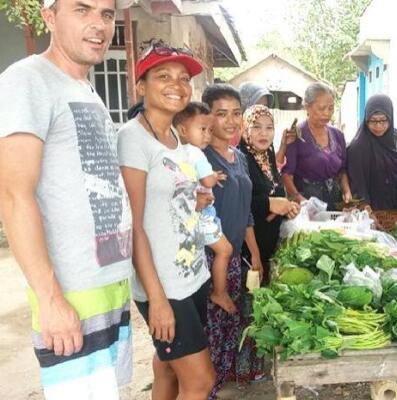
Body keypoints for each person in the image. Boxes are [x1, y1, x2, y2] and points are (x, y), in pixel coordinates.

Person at [0, 0, 133, 398]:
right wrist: (50, 299)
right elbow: (12, 194)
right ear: (48, 17)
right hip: (70, 294)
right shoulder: (27, 80)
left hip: (107, 287)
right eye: (82, 9)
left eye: (106, 14)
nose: (98, 24)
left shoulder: (85, 89)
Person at [118, 43, 215, 399]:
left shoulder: (175, 136)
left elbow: (169, 199)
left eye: (184, 78)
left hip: (193, 275)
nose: (177, 84)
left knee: (168, 369)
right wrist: (156, 298)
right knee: (201, 379)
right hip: (164, 286)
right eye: (163, 76)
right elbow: (134, 225)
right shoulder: (132, 139)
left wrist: (194, 200)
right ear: (140, 85)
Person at [201, 84, 264, 395]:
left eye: (236, 113)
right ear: (207, 117)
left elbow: (247, 209)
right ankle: (206, 390)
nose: (230, 121)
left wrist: (254, 254)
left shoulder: (238, 158)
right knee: (211, 333)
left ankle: (222, 385)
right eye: (220, 113)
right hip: (210, 258)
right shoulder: (200, 158)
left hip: (236, 255)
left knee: (231, 329)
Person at [173, 102, 236, 314]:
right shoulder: (196, 153)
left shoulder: (178, 152)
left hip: (188, 218)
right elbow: (207, 182)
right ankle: (219, 291)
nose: (207, 135)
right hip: (203, 216)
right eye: (202, 130)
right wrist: (213, 177)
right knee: (225, 250)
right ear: (183, 130)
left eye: (209, 130)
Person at [238, 105, 300, 282]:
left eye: (269, 127)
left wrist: (288, 207)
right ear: (244, 128)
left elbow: (275, 190)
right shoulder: (240, 158)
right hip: (248, 250)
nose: (263, 134)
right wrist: (270, 204)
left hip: (268, 244)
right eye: (256, 127)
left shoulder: (267, 155)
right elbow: (239, 204)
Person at [282, 82, 352, 210]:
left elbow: (342, 171)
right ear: (307, 107)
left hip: (334, 203)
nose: (327, 113)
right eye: (322, 108)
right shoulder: (296, 134)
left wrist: (346, 191)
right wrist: (300, 200)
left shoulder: (338, 135)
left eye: (331, 108)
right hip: (308, 204)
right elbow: (286, 174)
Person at [347, 94, 397, 211]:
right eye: (373, 121)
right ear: (366, 120)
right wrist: (367, 211)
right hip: (372, 213)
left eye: (383, 120)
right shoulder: (358, 147)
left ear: (390, 118)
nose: (378, 126)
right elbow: (357, 185)